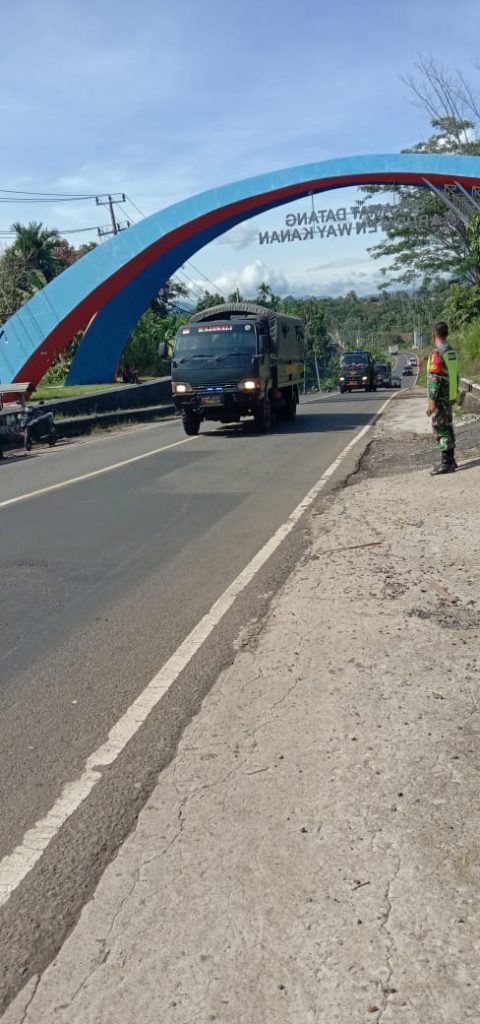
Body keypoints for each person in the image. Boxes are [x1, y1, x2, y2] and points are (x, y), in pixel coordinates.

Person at [426, 321, 459, 476]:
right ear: (447, 334)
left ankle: (446, 463)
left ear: (434, 335)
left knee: (440, 427)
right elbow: (455, 374)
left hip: (440, 398)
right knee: (448, 426)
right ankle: (451, 460)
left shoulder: (437, 353)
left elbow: (435, 378)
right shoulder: (451, 351)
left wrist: (431, 400)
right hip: (450, 395)